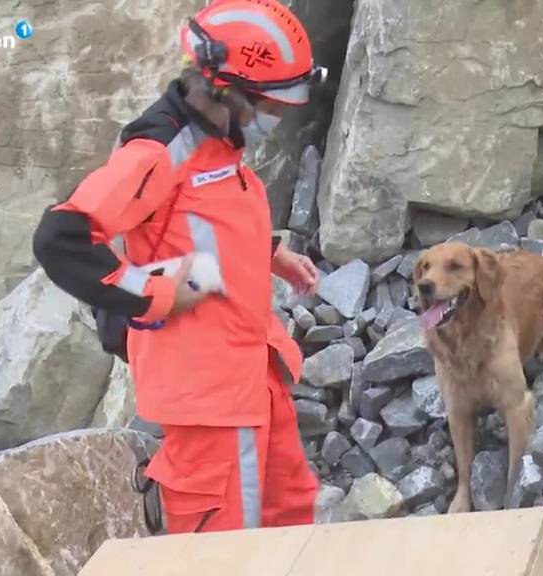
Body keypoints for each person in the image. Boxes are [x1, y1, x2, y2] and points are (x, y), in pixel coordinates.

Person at [32, 0, 326, 534]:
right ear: (225, 88)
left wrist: (269, 255)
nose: (277, 118)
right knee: (225, 549)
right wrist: (155, 293)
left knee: (288, 513)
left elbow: (206, 223)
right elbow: (63, 238)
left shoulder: (218, 138)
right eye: (270, 105)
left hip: (253, 373)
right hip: (209, 397)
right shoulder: (159, 151)